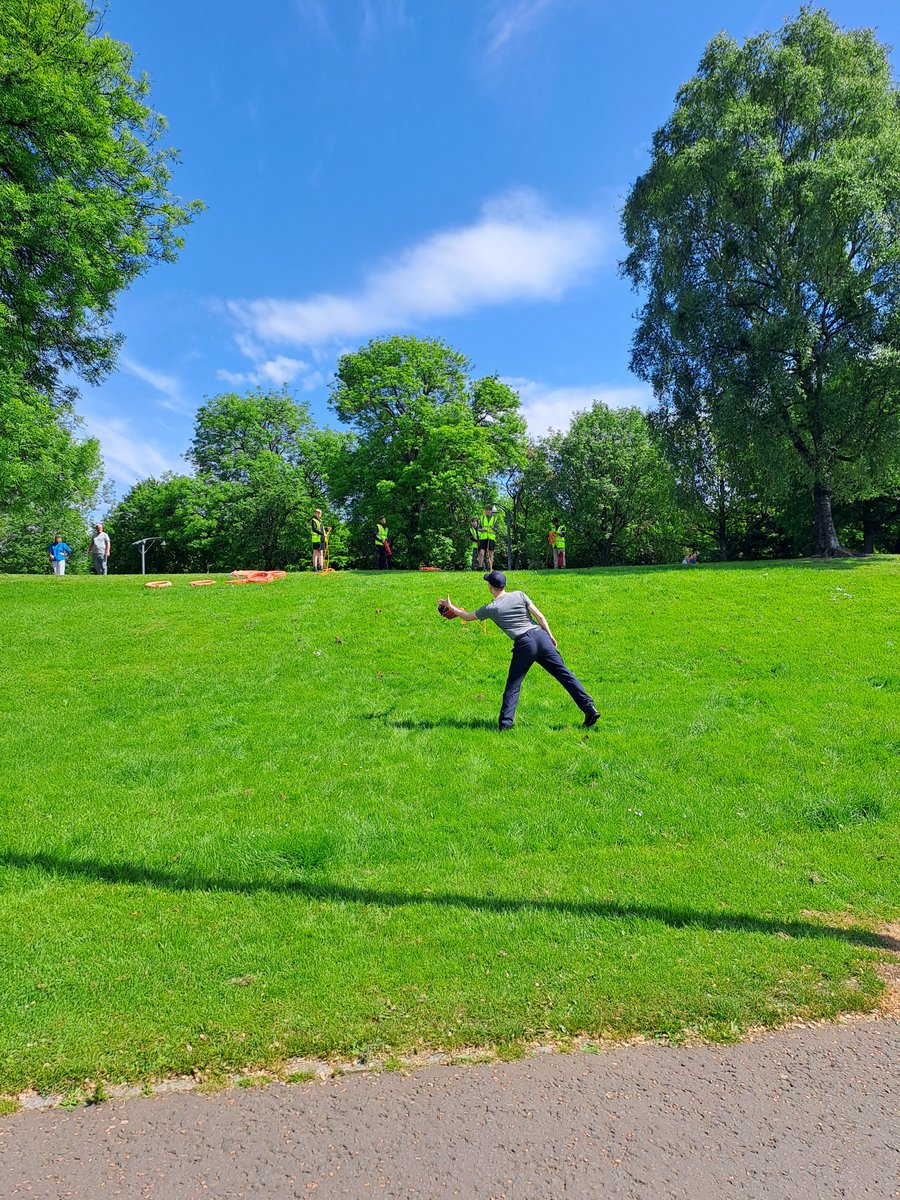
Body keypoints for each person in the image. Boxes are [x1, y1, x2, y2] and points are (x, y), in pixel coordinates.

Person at [442, 570, 599, 731]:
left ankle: (505, 724)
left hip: (525, 644)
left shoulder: (491, 608)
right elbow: (540, 617)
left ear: (490, 586)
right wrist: (550, 636)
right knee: (564, 674)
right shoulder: (519, 594)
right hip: (541, 636)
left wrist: (450, 606)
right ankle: (590, 708)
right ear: (504, 585)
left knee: (514, 684)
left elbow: (467, 616)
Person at [476, 505, 500, 571]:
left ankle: (490, 568)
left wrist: (493, 528)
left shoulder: (495, 518)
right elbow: (478, 529)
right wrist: (482, 530)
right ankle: (480, 567)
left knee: (491, 553)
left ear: (491, 511)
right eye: (487, 510)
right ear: (485, 511)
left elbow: (497, 530)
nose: (488, 511)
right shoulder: (482, 518)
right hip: (483, 538)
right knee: (481, 552)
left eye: (489, 510)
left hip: (491, 538)